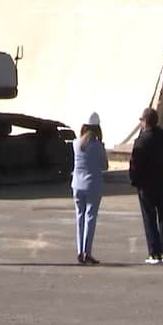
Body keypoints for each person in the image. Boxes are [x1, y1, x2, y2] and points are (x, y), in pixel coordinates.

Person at [129, 107, 163, 264]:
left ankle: (154, 253)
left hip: (146, 185)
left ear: (145, 121)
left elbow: (134, 164)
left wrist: (134, 180)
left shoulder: (141, 140)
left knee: (149, 218)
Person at [72, 111, 108, 265]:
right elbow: (104, 166)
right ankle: (88, 251)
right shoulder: (98, 146)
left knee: (79, 216)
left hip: (77, 184)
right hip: (93, 184)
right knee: (90, 217)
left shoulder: (76, 144)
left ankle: (80, 250)